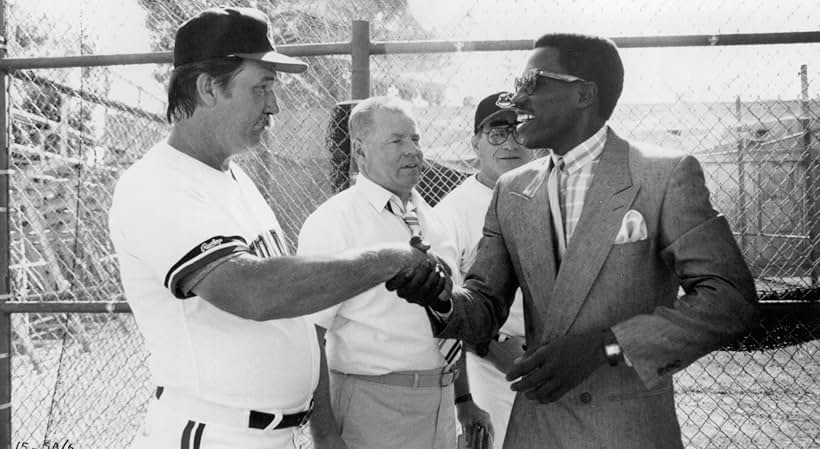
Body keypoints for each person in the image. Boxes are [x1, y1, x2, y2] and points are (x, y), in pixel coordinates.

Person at [392, 33, 759, 448]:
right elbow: (485, 304)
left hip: (626, 431)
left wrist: (608, 347)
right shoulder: (512, 190)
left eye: (532, 82)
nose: (516, 100)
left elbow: (729, 300)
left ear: (584, 94)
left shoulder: (663, 177)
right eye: (517, 84)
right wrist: (440, 298)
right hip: (537, 427)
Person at [109, 8, 439, 449]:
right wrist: (389, 257)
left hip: (268, 433)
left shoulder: (233, 178)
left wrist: (322, 430)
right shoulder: (155, 184)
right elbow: (254, 292)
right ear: (208, 87)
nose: (275, 105)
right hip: (215, 432)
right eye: (261, 87)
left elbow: (298, 319)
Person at [297, 96, 492, 449]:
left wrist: (463, 400)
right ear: (360, 151)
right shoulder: (334, 223)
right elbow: (310, 337)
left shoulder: (434, 219)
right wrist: (324, 434)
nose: (413, 151)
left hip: (440, 402)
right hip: (371, 406)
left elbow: (448, 317)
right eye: (396, 141)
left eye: (415, 139)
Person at [434, 92, 533, 449]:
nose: (510, 142)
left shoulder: (549, 191)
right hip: (489, 365)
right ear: (475, 142)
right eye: (496, 132)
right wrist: (492, 348)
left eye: (519, 129)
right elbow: (441, 307)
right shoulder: (453, 212)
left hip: (549, 360)